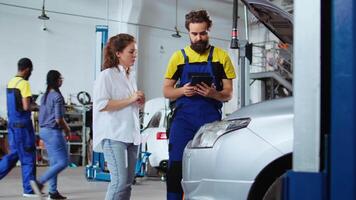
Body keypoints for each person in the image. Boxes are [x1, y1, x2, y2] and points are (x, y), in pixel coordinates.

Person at [163, 10, 236, 200]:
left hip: (210, 121)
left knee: (209, 168)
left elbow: (228, 93)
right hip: (183, 120)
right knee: (176, 167)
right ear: (188, 32)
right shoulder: (178, 57)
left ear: (208, 30)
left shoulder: (222, 57)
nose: (199, 38)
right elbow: (166, 91)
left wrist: (214, 93)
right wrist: (182, 91)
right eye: (194, 34)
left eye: (202, 33)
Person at [93, 33, 145, 200]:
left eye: (135, 52)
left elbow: (127, 104)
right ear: (118, 53)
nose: (134, 55)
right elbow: (102, 104)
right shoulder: (107, 75)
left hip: (132, 135)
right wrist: (131, 99)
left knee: (128, 183)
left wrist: (138, 101)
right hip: (114, 135)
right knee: (119, 181)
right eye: (131, 52)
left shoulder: (131, 76)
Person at [0, 58, 38, 197]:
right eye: (31, 71)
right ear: (27, 69)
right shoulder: (24, 84)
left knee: (13, 156)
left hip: (12, 127)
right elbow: (26, 106)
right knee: (28, 157)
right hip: (23, 127)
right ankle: (28, 189)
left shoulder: (11, 82)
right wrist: (38, 106)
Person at [30, 70, 70, 200]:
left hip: (44, 131)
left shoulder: (45, 96)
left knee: (54, 162)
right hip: (53, 132)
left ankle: (53, 192)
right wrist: (68, 129)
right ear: (56, 80)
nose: (61, 80)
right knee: (63, 162)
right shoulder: (57, 97)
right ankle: (40, 182)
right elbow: (59, 119)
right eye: (60, 78)